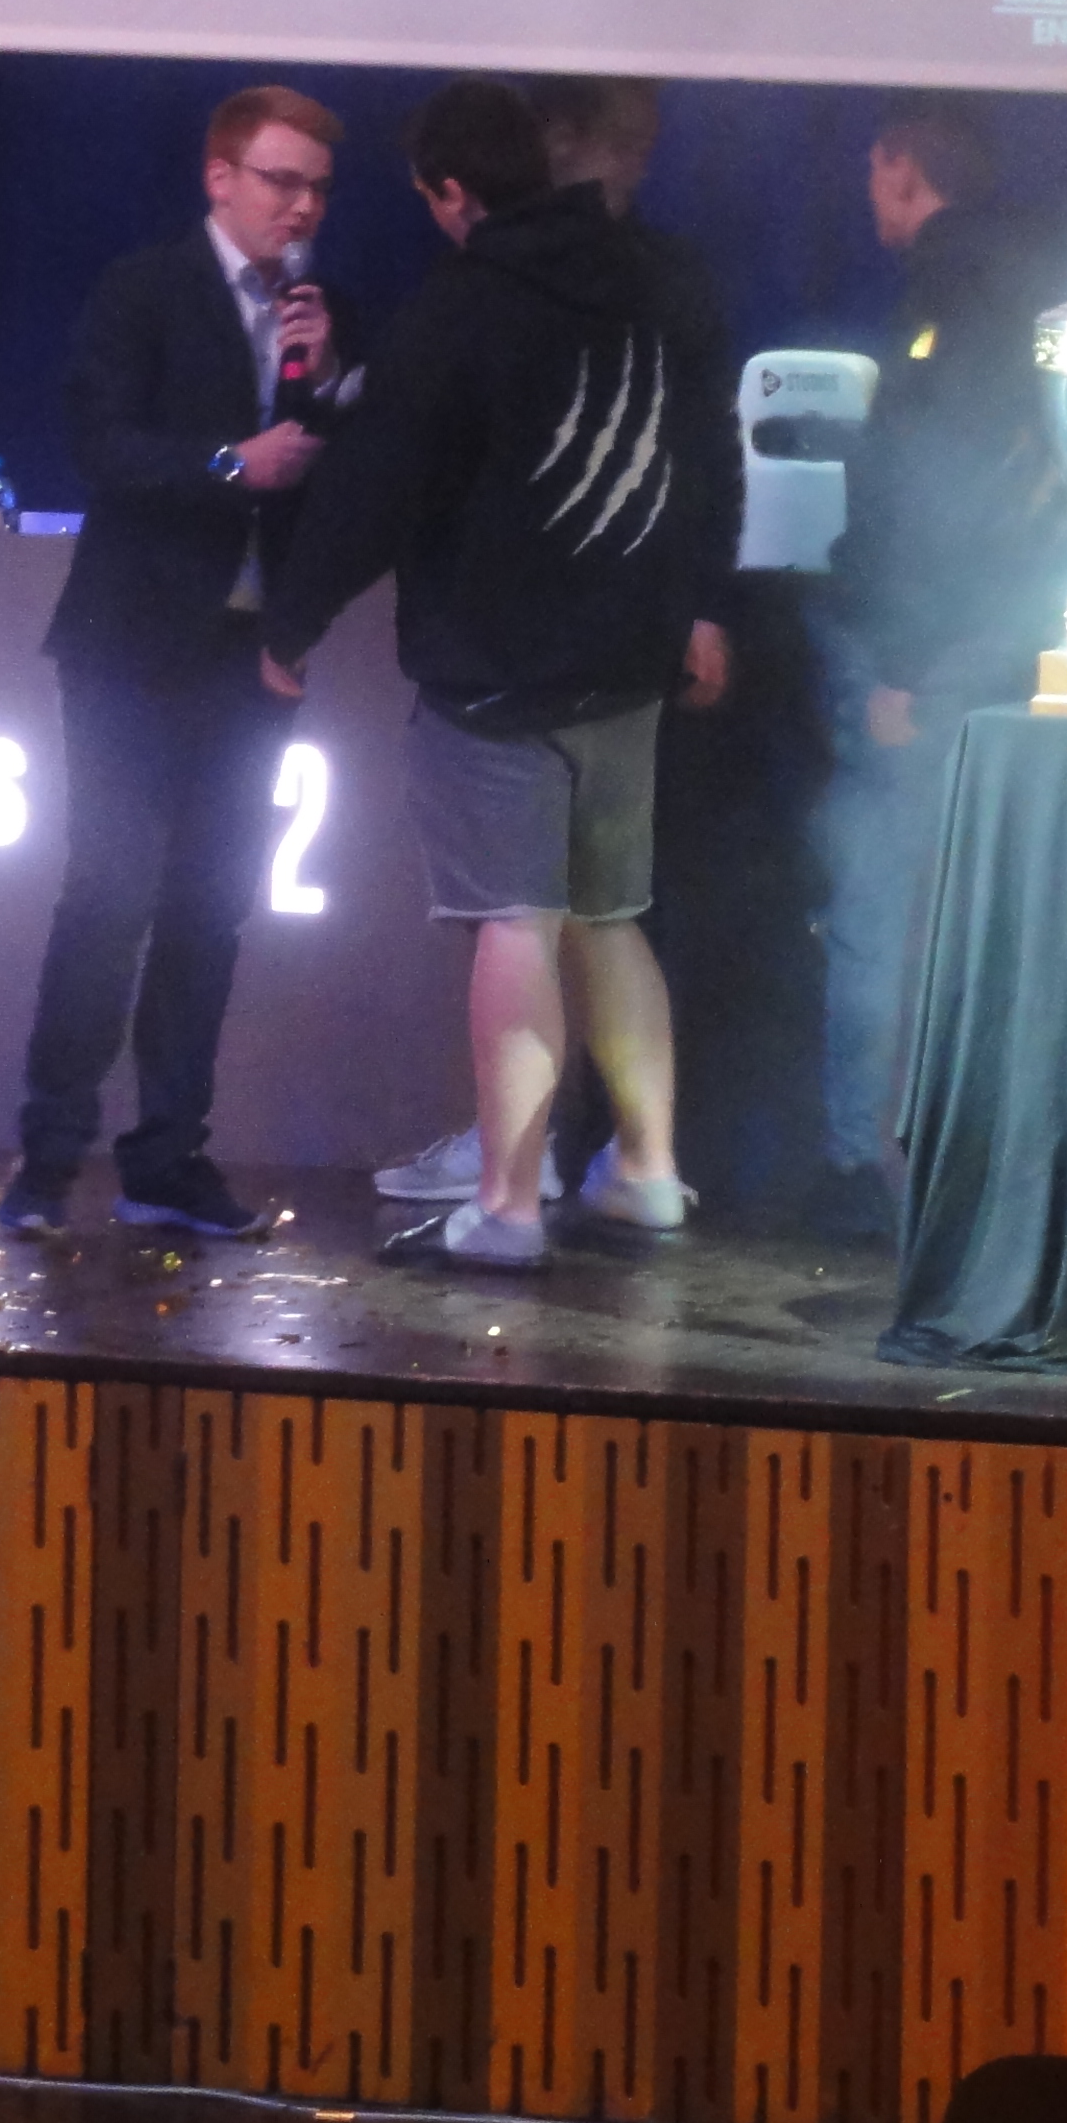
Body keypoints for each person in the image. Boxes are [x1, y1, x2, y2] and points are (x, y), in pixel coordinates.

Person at [262, 78, 736, 1267]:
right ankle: (648, 1173)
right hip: (627, 664)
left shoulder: (462, 304)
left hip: (495, 673)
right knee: (611, 919)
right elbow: (709, 457)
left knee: (517, 927)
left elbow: (377, 487)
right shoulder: (660, 282)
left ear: (454, 192)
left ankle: (511, 1205)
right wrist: (699, 603)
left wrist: (292, 620)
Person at [0, 85, 356, 1241]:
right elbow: (101, 445)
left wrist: (330, 386)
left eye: (317, 188)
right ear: (220, 177)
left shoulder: (319, 315)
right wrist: (228, 463)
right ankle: (47, 1161)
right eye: (281, 180)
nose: (301, 207)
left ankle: (167, 1162)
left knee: (210, 914)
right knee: (108, 901)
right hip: (130, 651)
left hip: (250, 657)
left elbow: (336, 477)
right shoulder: (145, 287)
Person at [805, 96, 1067, 1239]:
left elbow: (928, 487)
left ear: (900, 168)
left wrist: (901, 661)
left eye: (874, 173)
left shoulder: (950, 285)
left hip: (936, 642)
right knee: (993, 905)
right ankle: (997, 1157)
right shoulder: (1045, 284)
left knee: (884, 899)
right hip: (1025, 636)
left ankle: (869, 1167)